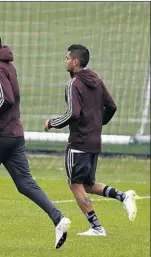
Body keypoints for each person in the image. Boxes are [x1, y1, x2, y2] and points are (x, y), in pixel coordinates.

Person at [0, 28, 70, 249]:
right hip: (15, 134)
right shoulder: (8, 65)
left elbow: (7, 100)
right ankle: (58, 219)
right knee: (25, 183)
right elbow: (7, 97)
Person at [44, 44, 138, 236]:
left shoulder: (74, 83)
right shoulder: (97, 80)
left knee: (74, 184)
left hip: (79, 142)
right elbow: (112, 106)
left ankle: (97, 227)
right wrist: (96, 125)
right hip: (94, 141)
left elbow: (72, 113)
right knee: (86, 184)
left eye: (67, 58)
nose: (65, 61)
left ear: (75, 61)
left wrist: (52, 123)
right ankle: (123, 196)